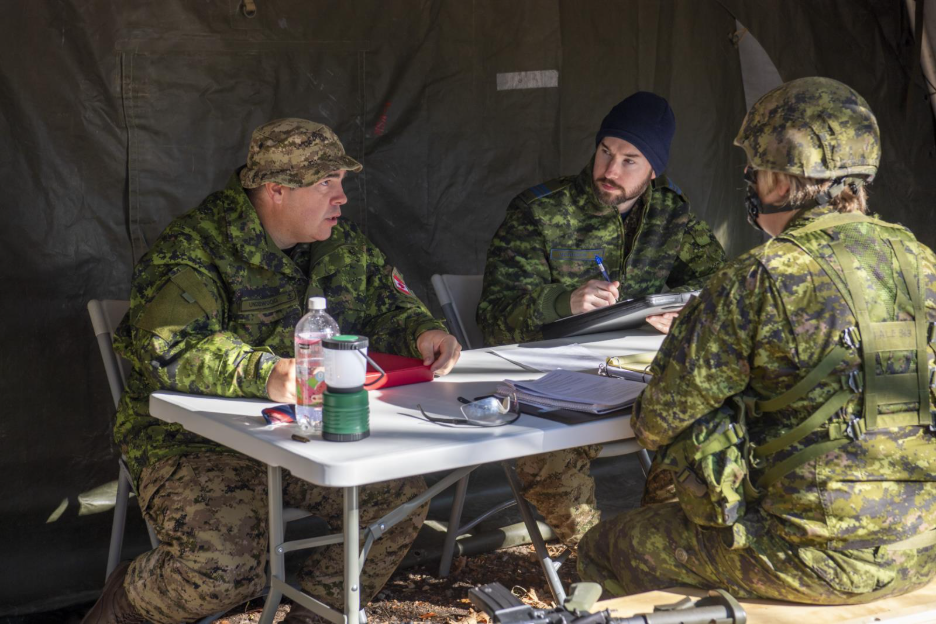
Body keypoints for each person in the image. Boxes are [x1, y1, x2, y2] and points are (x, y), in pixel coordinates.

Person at [83, 119, 461, 623]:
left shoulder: (339, 243)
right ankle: (121, 606)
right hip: (194, 442)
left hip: (301, 434)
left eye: (342, 182)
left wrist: (421, 331)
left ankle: (314, 615)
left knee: (398, 503)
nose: (342, 197)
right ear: (275, 190)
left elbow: (386, 308)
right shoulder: (195, 245)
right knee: (225, 570)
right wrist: (264, 372)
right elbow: (169, 346)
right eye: (326, 183)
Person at [577, 77, 936, 605]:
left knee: (605, 547)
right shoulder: (921, 263)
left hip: (806, 559)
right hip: (921, 548)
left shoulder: (759, 277)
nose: (750, 179)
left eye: (758, 169)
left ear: (782, 178)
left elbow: (654, 422)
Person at [476, 91, 727, 549]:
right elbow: (494, 316)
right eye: (605, 152)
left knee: (699, 429)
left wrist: (682, 309)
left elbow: (717, 283)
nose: (610, 171)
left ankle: (656, 551)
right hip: (553, 379)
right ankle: (597, 556)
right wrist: (562, 302)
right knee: (545, 456)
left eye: (630, 160)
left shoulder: (671, 212)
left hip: (636, 372)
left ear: (654, 169)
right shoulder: (541, 211)